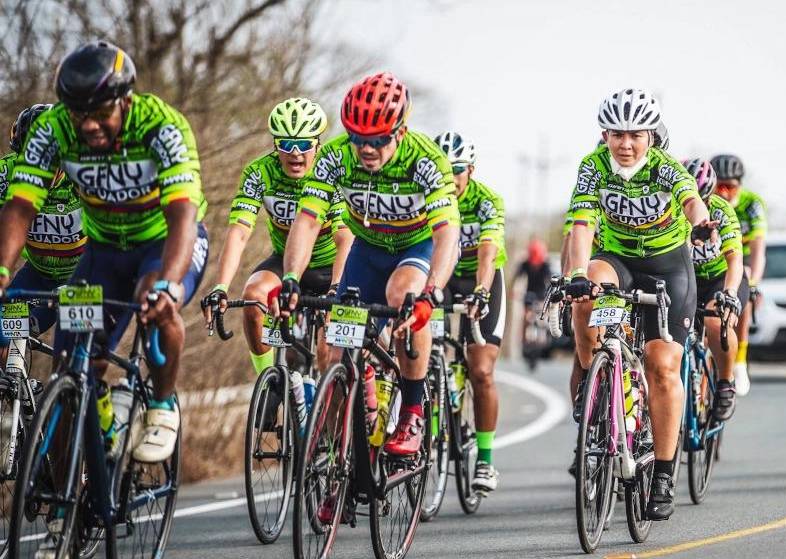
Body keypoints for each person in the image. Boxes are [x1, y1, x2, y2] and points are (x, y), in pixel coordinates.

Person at [0, 41, 208, 467]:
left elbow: (183, 213)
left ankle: (163, 404)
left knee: (157, 303)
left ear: (124, 100)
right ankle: (74, 498)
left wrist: (170, 284)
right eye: (79, 114)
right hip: (104, 251)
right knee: (71, 365)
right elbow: (20, 205)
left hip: (162, 241)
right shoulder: (54, 129)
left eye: (100, 113)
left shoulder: (161, 127)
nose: (89, 124)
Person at [277, 71, 458, 460]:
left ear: (401, 131)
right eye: (358, 138)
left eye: (377, 140)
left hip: (417, 246)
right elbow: (307, 220)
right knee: (334, 352)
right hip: (368, 249)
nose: (366, 149)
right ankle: (336, 463)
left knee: (402, 294)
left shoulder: (427, 161)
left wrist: (432, 293)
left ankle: (411, 410)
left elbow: (446, 235)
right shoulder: (335, 156)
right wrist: (290, 277)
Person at [566, 87, 716, 521]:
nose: (626, 143)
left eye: (635, 134)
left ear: (651, 135)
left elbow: (691, 200)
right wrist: (576, 275)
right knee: (588, 284)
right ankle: (595, 379)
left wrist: (701, 222)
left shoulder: (666, 169)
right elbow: (580, 223)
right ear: (605, 134)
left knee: (662, 365)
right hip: (618, 260)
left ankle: (666, 473)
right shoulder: (593, 167)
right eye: (616, 134)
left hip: (668, 267)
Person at [201, 98, 350, 379]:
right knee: (253, 297)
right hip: (286, 262)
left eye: (304, 144)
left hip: (333, 266)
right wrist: (220, 286)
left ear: (318, 143)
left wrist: (336, 289)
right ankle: (267, 383)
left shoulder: (331, 173)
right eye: (285, 144)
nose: (295, 153)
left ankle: (331, 416)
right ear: (274, 144)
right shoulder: (260, 173)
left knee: (327, 352)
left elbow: (345, 239)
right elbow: (240, 232)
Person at [434, 130, 506, 494]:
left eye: (457, 169)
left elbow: (488, 252)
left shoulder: (487, 201)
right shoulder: (427, 197)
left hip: (481, 279)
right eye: (443, 169)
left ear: (470, 170)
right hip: (442, 277)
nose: (451, 177)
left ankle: (486, 460)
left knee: (480, 370)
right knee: (420, 346)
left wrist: (480, 291)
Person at [0, 103, 85, 396]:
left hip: (81, 276)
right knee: (6, 331)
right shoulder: (8, 172)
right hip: (37, 274)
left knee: (75, 358)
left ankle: (73, 412)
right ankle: (16, 397)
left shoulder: (82, 174)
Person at [684, 158, 745, 420]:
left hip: (721, 277)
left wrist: (730, 293)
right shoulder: (672, 212)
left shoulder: (722, 212)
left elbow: (735, 260)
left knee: (716, 322)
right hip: (687, 278)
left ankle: (726, 383)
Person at [709, 154, 766, 396]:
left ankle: (740, 360)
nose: (723, 192)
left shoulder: (751, 203)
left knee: (743, 287)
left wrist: (753, 283)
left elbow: (758, 247)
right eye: (718, 185)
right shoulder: (706, 202)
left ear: (739, 186)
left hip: (739, 258)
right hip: (710, 259)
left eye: (729, 186)